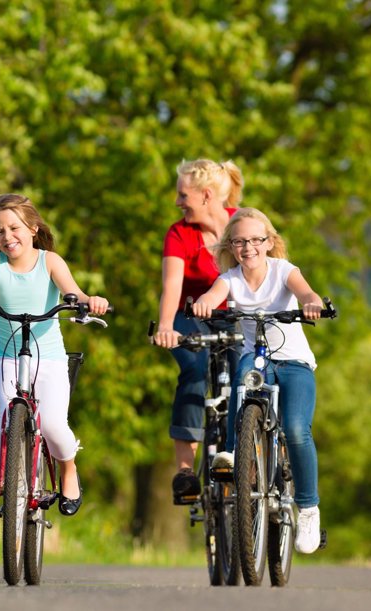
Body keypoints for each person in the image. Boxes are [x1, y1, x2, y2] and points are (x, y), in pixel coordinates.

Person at [0, 194, 109, 518]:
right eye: (0, 231)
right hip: (8, 358)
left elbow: (72, 291)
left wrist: (91, 301)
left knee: (52, 424)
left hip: (49, 359)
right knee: (8, 416)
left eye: (14, 228)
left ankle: (68, 470)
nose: (7, 236)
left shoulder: (50, 261)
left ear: (33, 228)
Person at [190, 207, 326, 554]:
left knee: (296, 429)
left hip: (293, 362)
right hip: (258, 359)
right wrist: (204, 305)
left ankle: (308, 509)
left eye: (255, 240)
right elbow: (212, 295)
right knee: (241, 383)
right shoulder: (231, 278)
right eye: (239, 241)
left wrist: (311, 303)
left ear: (269, 242)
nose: (247, 247)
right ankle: (236, 453)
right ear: (231, 247)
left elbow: (306, 293)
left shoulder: (283, 271)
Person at [151, 159, 245, 504]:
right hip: (189, 317)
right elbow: (172, 284)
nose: (178, 202)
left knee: (247, 376)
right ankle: (186, 471)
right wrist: (164, 327)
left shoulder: (243, 224)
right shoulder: (179, 233)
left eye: (182, 195)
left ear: (206, 195)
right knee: (194, 369)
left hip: (236, 316)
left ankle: (242, 453)